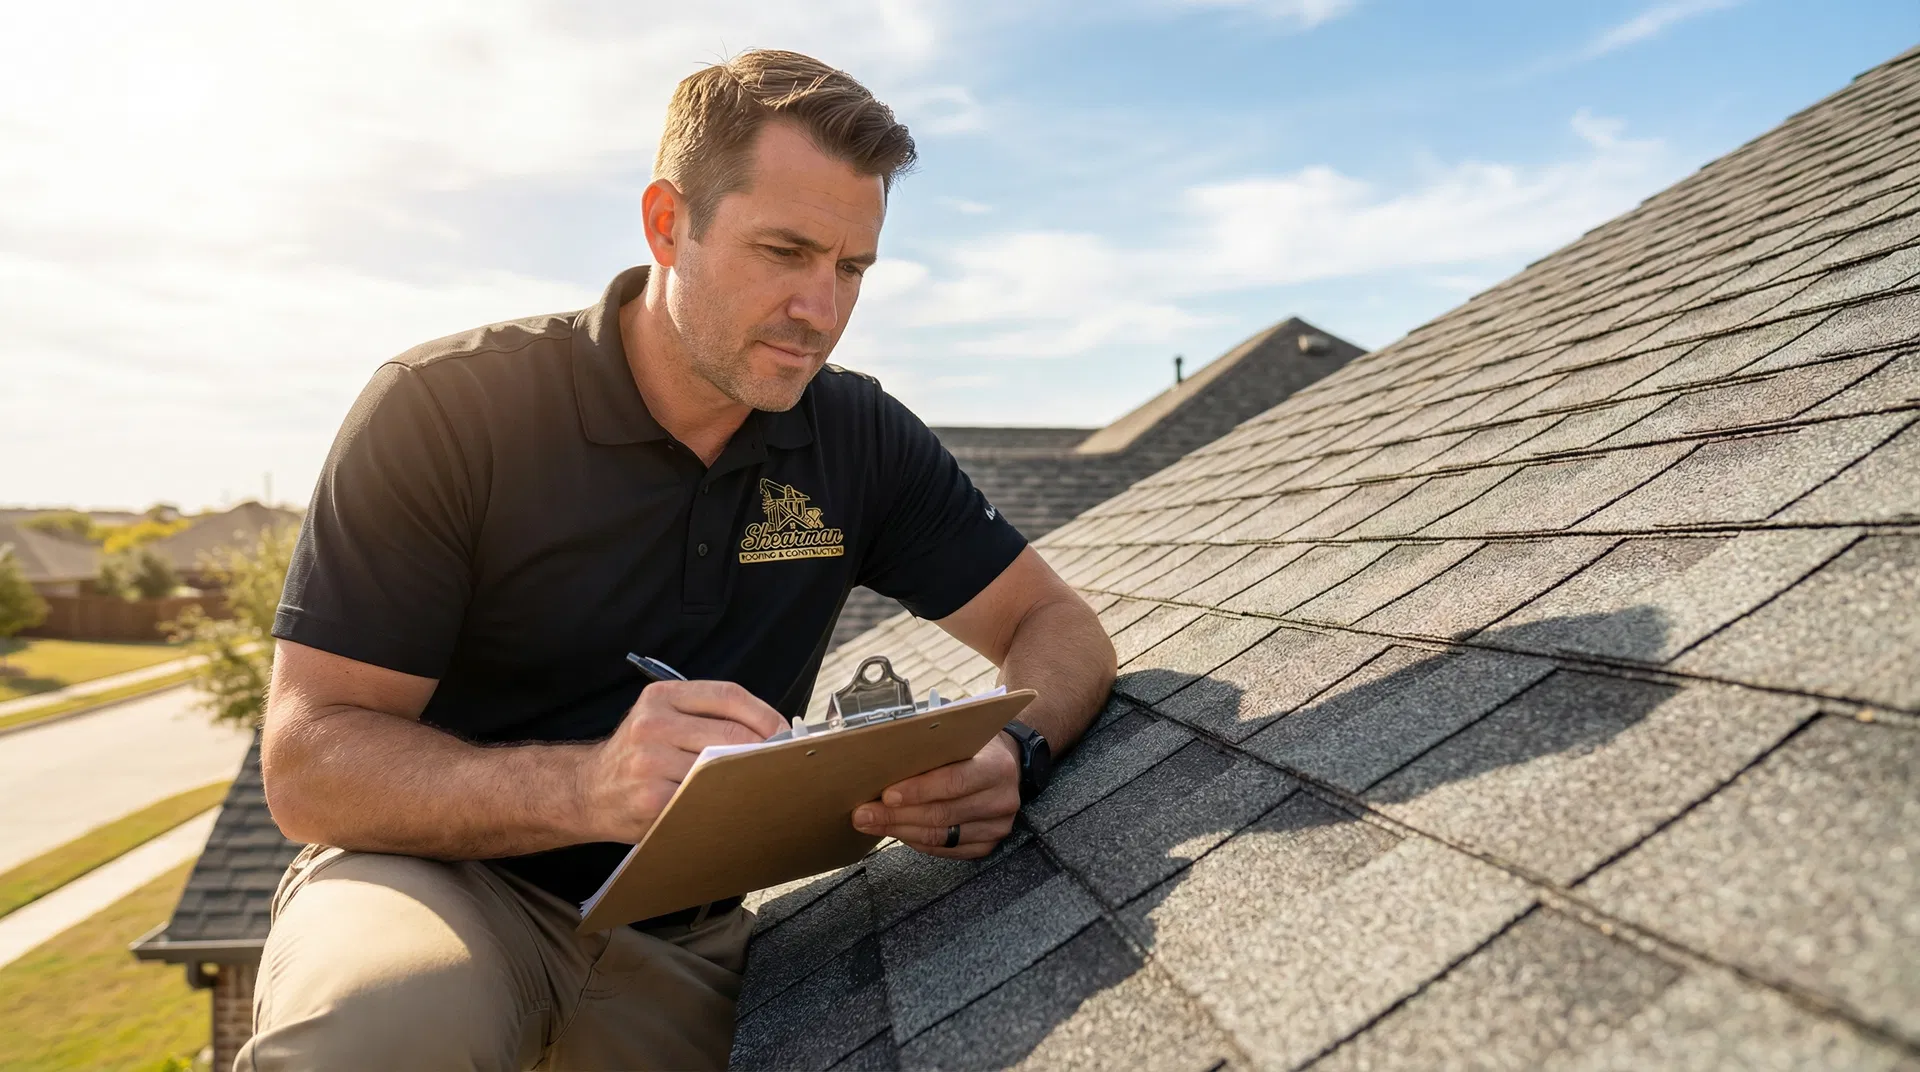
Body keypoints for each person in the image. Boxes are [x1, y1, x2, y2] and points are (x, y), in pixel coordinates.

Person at [240, 48, 1116, 1071]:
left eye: (851, 268)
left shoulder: (860, 439)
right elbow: (306, 762)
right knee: (377, 1035)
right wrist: (588, 786)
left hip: (684, 933)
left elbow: (1056, 627)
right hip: (435, 884)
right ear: (668, 223)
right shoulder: (446, 410)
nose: (821, 310)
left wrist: (1013, 754)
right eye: (784, 251)